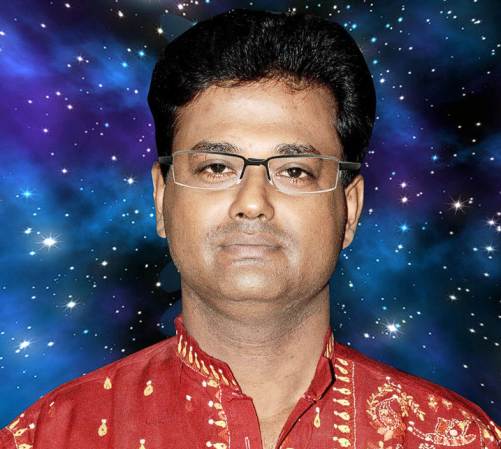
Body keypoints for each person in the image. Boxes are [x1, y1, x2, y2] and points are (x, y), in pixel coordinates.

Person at [1, 8, 499, 449]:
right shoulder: (49, 436)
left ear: (349, 209)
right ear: (161, 198)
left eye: (295, 171)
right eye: (216, 167)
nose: (253, 203)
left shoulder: (451, 437)